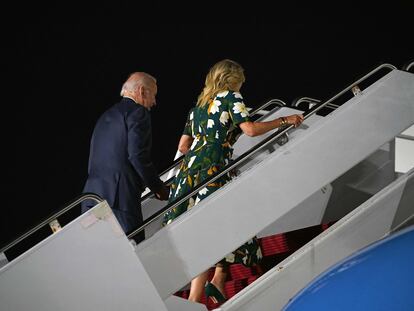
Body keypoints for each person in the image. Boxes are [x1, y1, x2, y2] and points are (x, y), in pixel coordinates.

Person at [162, 59, 304, 304]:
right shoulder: (231, 97)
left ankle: (209, 287)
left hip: (191, 171)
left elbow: (183, 146)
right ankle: (211, 284)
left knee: (206, 228)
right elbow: (249, 129)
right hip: (214, 167)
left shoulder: (199, 105)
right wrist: (284, 120)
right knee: (228, 222)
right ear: (232, 79)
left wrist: (206, 145)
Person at [81, 72, 169, 243]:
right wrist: (158, 188)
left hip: (91, 200)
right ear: (142, 91)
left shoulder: (105, 116)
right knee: (131, 258)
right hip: (120, 202)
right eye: (154, 95)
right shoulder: (138, 113)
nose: (154, 102)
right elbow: (137, 156)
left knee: (98, 258)